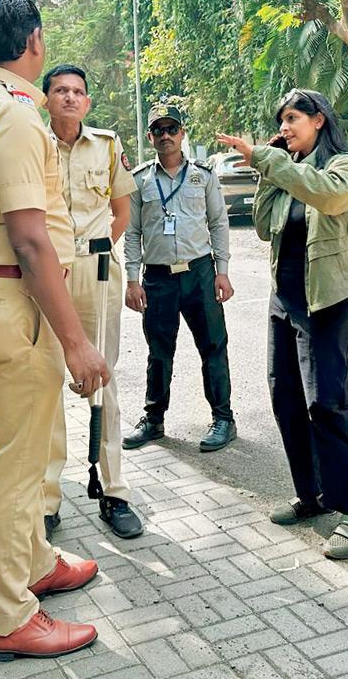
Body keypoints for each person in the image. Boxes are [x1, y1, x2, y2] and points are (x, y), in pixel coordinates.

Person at [0, 0, 110, 661]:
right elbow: (32, 240)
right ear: (34, 42)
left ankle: (36, 563)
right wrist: (75, 341)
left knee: (31, 448)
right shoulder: (12, 118)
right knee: (16, 467)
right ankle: (8, 616)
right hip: (16, 300)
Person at [217, 89, 348, 560]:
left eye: (292, 119)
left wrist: (267, 157)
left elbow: (326, 198)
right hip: (285, 300)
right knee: (286, 399)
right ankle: (313, 496)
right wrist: (269, 170)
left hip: (329, 301)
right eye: (281, 121)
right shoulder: (287, 170)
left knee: (329, 401)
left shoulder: (343, 168)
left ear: (319, 121)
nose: (284, 128)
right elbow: (265, 226)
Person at [40, 64, 143, 539]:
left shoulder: (106, 145)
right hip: (46, 276)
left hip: (98, 272)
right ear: (46, 99)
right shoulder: (31, 143)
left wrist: (94, 248)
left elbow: (121, 210)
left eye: (77, 91)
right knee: (43, 386)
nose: (69, 97)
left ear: (87, 102)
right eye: (60, 90)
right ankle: (46, 499)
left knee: (103, 380)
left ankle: (113, 489)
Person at [123, 103, 237, 453]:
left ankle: (223, 419)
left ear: (183, 133)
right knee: (159, 352)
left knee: (213, 347)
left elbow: (218, 224)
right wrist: (132, 280)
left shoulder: (203, 175)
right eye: (159, 130)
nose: (166, 136)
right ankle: (154, 420)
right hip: (158, 278)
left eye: (172, 128)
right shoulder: (139, 180)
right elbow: (131, 233)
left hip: (200, 273)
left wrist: (222, 272)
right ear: (150, 136)